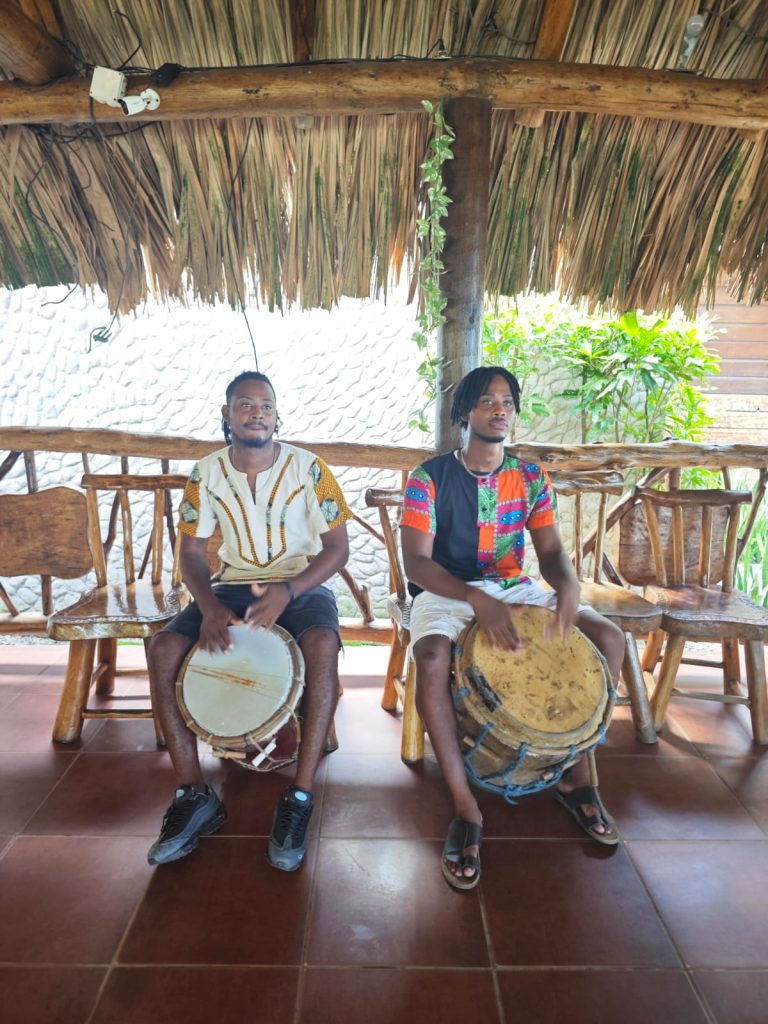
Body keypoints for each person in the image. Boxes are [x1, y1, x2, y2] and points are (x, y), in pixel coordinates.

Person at [401, 366, 625, 891]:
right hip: (447, 591)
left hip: (513, 586)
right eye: (486, 401)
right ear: (464, 414)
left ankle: (577, 775)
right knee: (432, 658)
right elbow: (417, 564)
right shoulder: (428, 478)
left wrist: (567, 585)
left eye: (507, 401)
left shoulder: (529, 478)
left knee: (610, 638)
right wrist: (475, 598)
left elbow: (549, 552)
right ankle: (464, 805)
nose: (499, 409)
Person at [147, 370, 351, 871]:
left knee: (322, 642)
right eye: (244, 404)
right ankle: (194, 795)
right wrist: (211, 606)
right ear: (227, 415)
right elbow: (191, 550)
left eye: (265, 405)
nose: (256, 412)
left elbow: (338, 549)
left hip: (300, 584)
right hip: (232, 585)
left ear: (277, 415)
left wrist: (288, 590)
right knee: (164, 648)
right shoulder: (206, 473)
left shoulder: (311, 469)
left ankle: (300, 797)